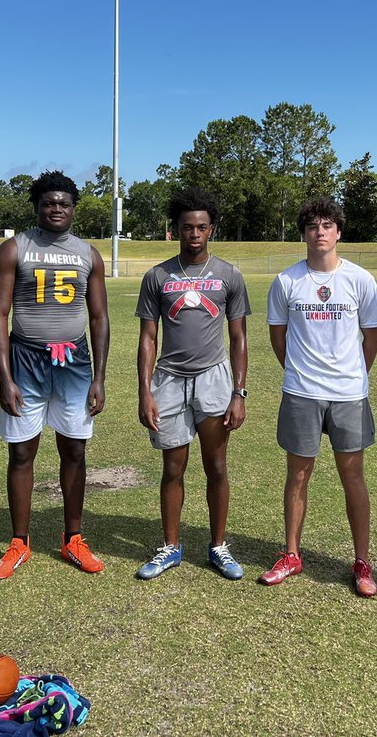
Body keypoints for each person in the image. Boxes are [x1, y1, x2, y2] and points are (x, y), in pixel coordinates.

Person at [0, 171, 110, 577]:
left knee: (74, 448)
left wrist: (100, 377)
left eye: (64, 203)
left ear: (74, 209)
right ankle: (19, 542)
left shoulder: (88, 253)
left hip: (74, 361)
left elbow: (99, 317)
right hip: (26, 358)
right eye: (48, 203)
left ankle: (73, 538)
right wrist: (4, 378)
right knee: (22, 450)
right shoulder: (13, 249)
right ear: (37, 207)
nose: (56, 209)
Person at [259, 197, 377, 597]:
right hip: (302, 392)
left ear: (339, 232)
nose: (320, 232)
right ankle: (292, 554)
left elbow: (372, 336)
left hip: (348, 393)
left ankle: (362, 561)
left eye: (328, 225)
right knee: (298, 473)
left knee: (353, 475)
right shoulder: (287, 281)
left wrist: (354, 374)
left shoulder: (360, 280)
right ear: (304, 234)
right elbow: (278, 337)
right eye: (313, 226)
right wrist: (298, 370)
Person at [134, 187, 251, 580]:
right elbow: (148, 338)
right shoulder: (157, 276)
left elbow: (239, 338)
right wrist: (144, 390)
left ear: (211, 229)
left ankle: (218, 546)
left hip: (214, 378)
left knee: (216, 466)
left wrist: (239, 392)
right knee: (173, 468)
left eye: (201, 227)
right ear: (177, 229)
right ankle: (170, 547)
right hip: (168, 379)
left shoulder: (228, 275)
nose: (194, 234)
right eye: (187, 227)